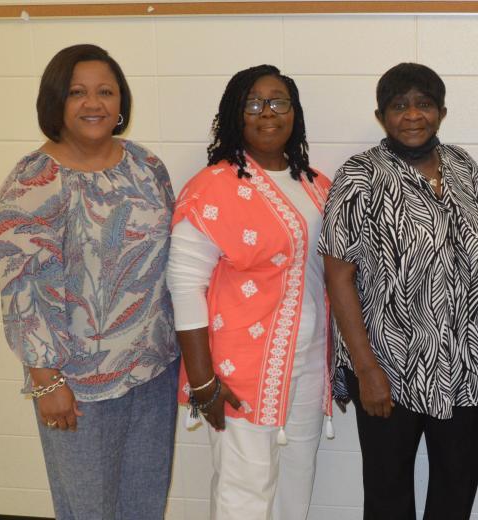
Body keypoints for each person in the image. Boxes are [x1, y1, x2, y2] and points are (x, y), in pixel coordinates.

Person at [0, 44, 179, 519]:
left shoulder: (146, 167)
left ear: (121, 104)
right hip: (76, 382)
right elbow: (23, 289)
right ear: (55, 101)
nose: (93, 103)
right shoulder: (33, 180)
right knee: (88, 509)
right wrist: (45, 378)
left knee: (144, 504)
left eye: (105, 92)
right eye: (77, 92)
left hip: (153, 370)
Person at [319, 62, 478, 520]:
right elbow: (338, 277)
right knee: (387, 499)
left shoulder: (464, 167)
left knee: (456, 495)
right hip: (388, 369)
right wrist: (365, 369)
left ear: (441, 111)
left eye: (423, 104)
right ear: (382, 116)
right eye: (399, 106)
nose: (412, 115)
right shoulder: (359, 176)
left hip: (464, 368)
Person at [167, 64, 332, 520]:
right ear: (235, 114)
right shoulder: (211, 188)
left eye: (279, 101)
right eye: (254, 103)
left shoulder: (316, 185)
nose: (267, 113)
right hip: (240, 370)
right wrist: (202, 381)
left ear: (294, 112)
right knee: (245, 491)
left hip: (309, 361)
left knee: (296, 483)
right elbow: (184, 285)